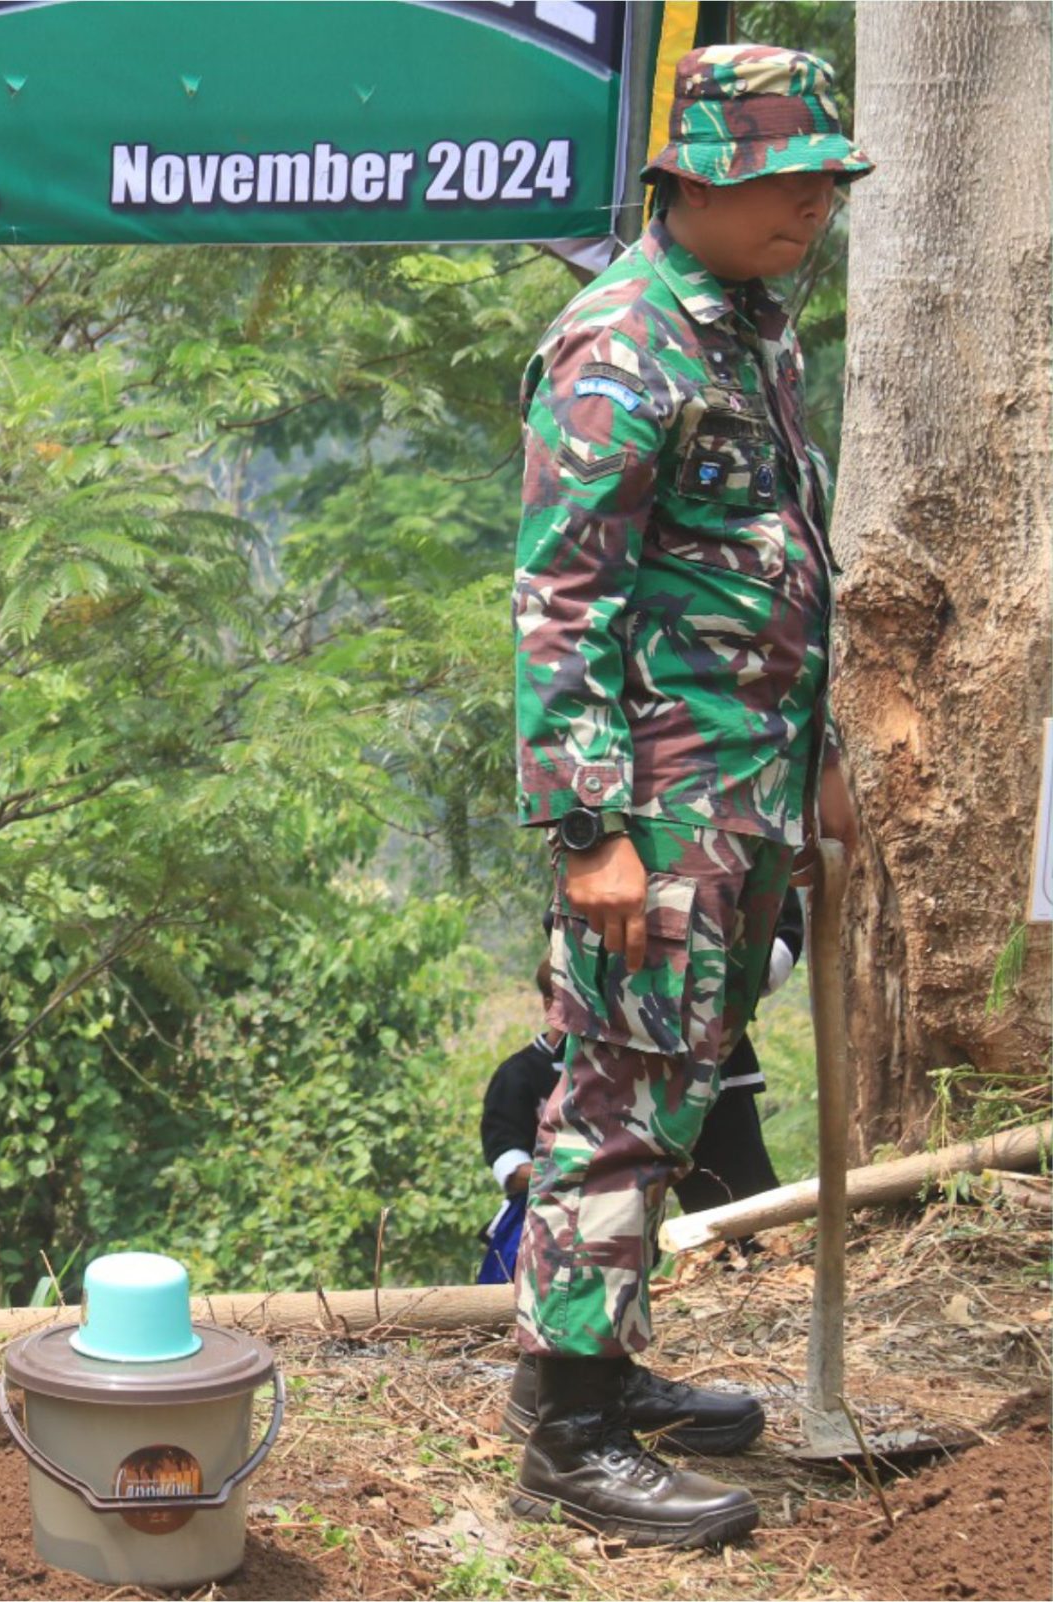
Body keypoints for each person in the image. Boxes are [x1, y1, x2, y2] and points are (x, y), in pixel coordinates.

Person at [509, 42, 868, 1548]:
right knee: (618, 1094)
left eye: (823, 183)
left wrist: (821, 748)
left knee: (679, 1078)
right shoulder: (622, 344)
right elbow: (559, 596)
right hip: (656, 804)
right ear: (699, 183)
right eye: (784, 180)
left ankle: (612, 1365)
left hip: (746, 785)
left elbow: (776, 556)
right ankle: (570, 1430)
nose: (811, 208)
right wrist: (591, 826)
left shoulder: (749, 330)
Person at [478, 891, 802, 1286]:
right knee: (607, 1230)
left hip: (712, 1052)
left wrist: (724, 980)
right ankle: (591, 1318)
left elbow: (779, 920)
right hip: (615, 1061)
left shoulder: (744, 851)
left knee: (743, 1216)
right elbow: (567, 916)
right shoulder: (520, 1074)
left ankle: (760, 1286)